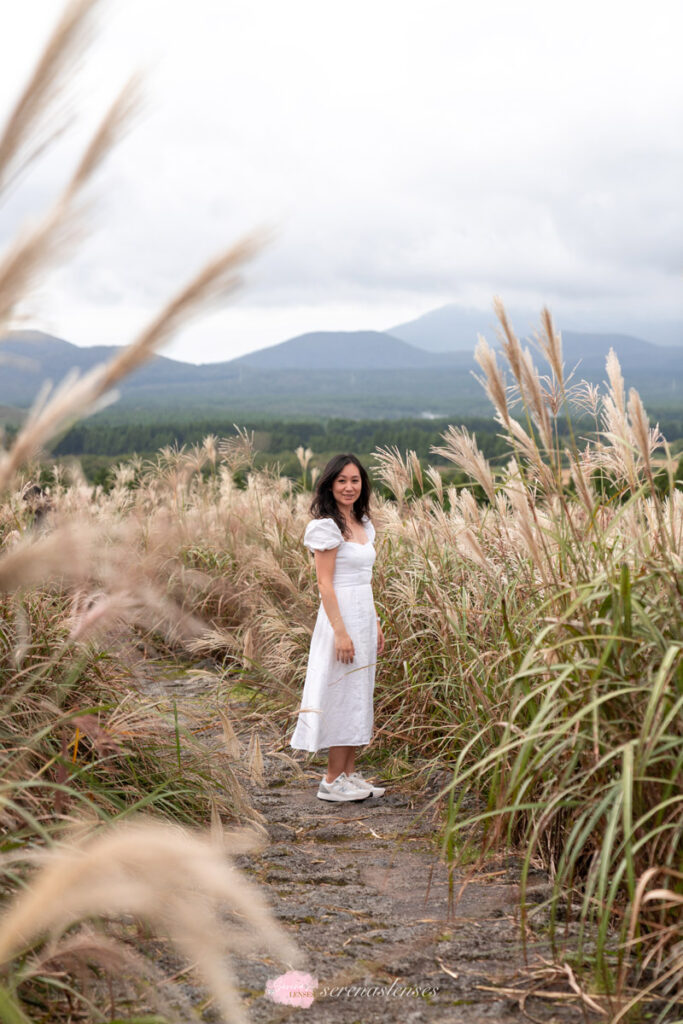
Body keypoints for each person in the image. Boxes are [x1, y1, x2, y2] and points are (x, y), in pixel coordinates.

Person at [290, 454, 386, 802]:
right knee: (341, 692)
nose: (349, 487)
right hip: (339, 618)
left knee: (358, 692)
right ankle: (331, 780)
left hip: (363, 613)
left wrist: (374, 622)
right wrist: (341, 633)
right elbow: (325, 584)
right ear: (330, 484)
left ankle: (348, 773)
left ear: (363, 485)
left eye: (355, 480)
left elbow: (366, 580)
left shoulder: (362, 524)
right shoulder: (326, 527)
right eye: (342, 480)